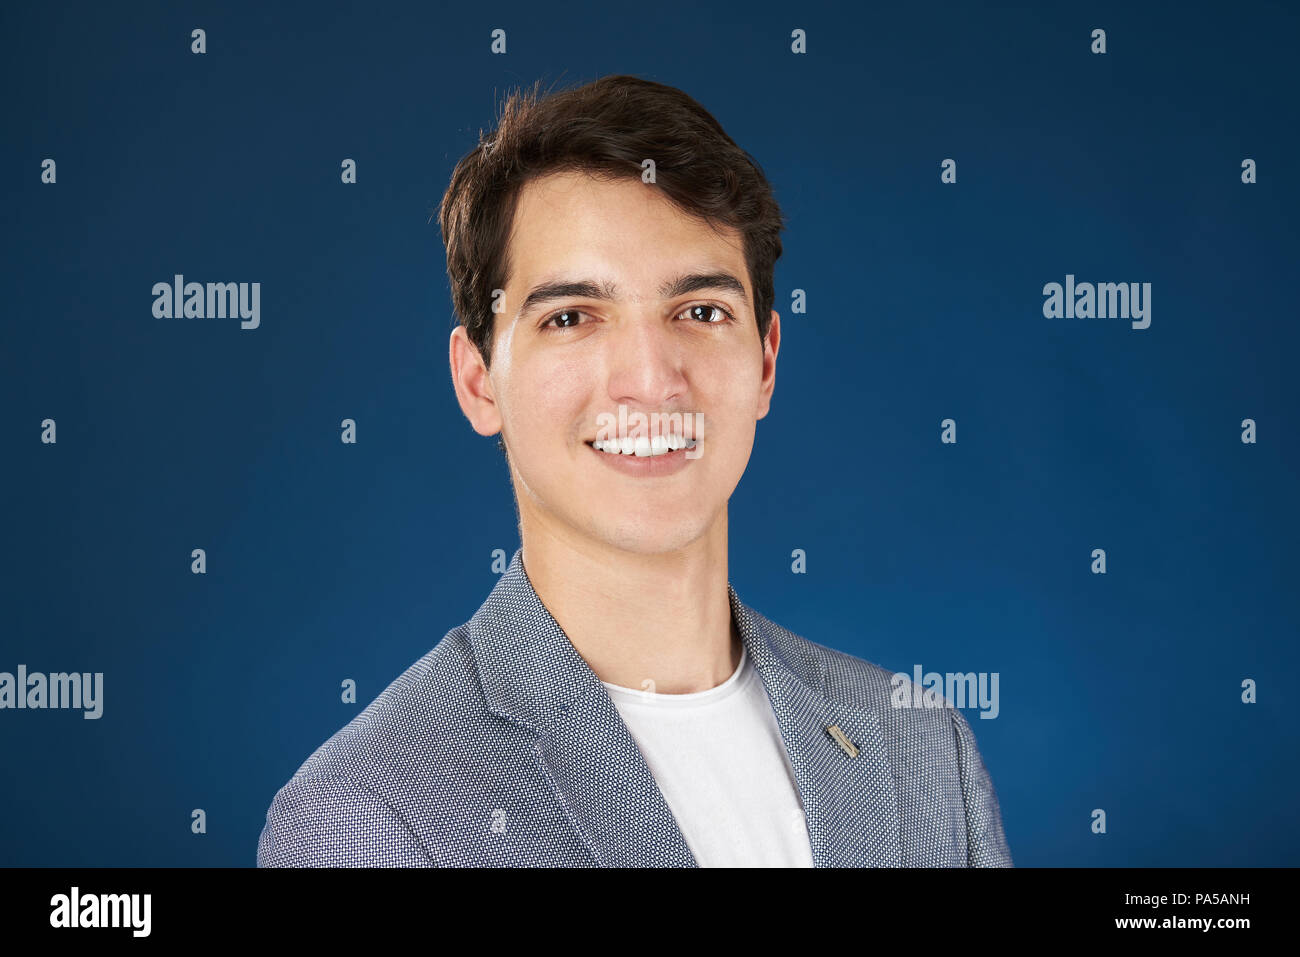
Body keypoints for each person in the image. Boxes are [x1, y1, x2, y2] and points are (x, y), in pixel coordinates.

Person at [257, 73, 1011, 867]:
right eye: (572, 317)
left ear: (765, 362)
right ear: (478, 380)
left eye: (700, 311)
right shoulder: (365, 814)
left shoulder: (924, 751)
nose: (650, 378)